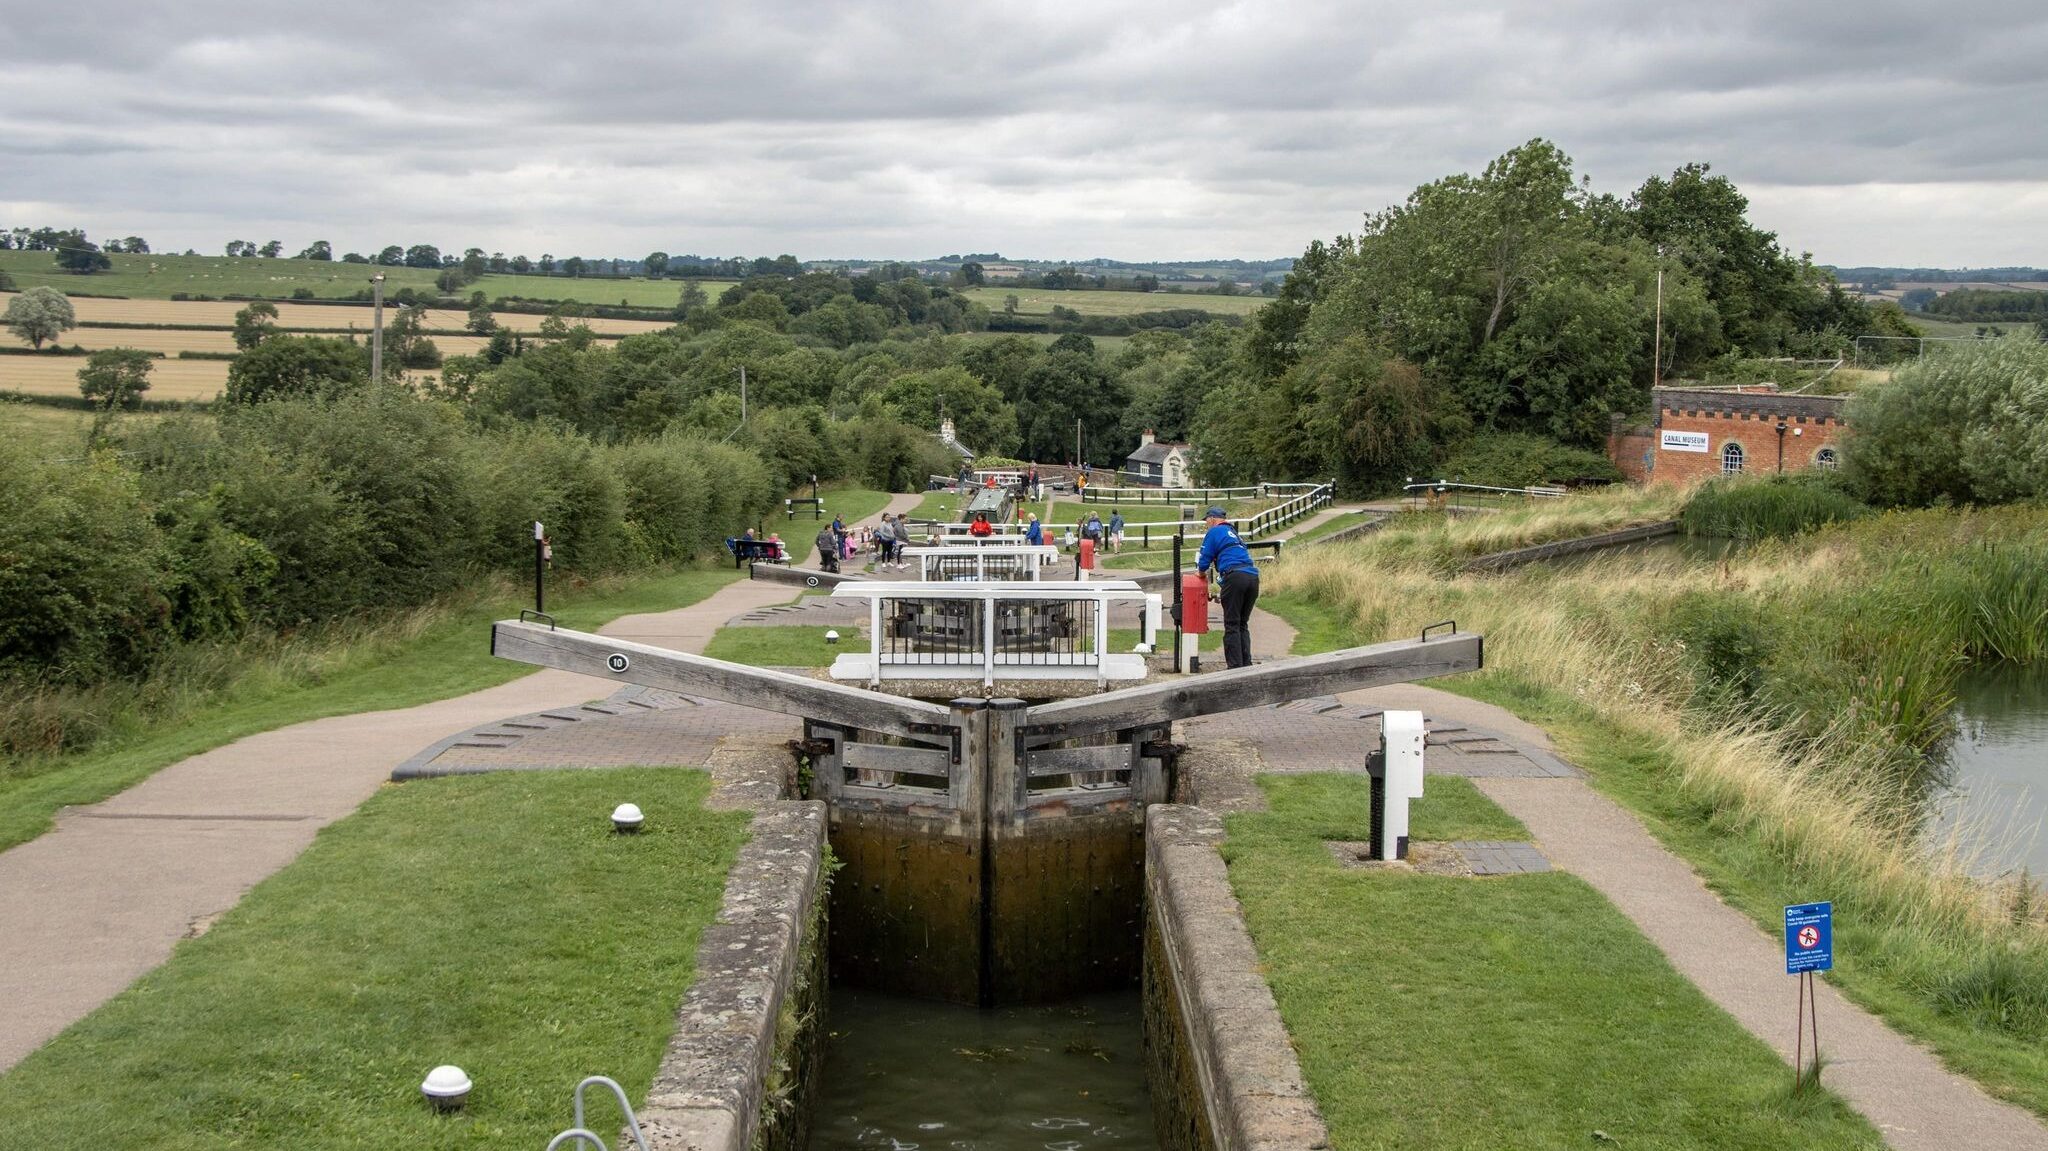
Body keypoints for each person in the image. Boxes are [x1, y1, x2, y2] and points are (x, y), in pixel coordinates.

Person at [1196, 505, 1260, 669]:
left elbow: (1205, 558)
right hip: (1252, 577)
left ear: (1212, 518)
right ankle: (1246, 664)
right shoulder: (1234, 534)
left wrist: (1201, 573)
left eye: (1207, 521)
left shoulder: (1214, 532)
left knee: (1232, 624)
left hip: (1235, 577)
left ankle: (1234, 667)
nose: (1206, 525)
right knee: (1242, 623)